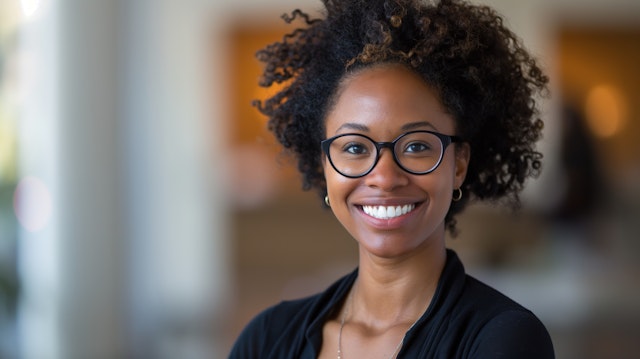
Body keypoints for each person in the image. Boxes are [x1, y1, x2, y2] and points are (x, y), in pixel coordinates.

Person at [229, 0, 554, 357]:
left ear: (458, 164)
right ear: (325, 165)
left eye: (415, 146)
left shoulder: (501, 339)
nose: (384, 177)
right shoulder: (267, 340)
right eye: (354, 148)